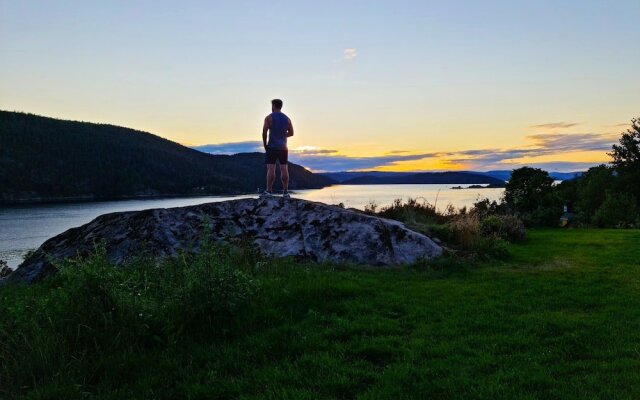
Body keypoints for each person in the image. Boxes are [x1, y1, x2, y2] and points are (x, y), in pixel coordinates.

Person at [261, 98, 294, 198]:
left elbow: (264, 132)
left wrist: (265, 145)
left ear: (274, 106)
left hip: (272, 147)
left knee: (271, 168)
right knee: (284, 168)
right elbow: (292, 133)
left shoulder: (269, 118)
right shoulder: (287, 119)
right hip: (283, 147)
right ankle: (285, 192)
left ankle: (269, 191)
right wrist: (283, 135)